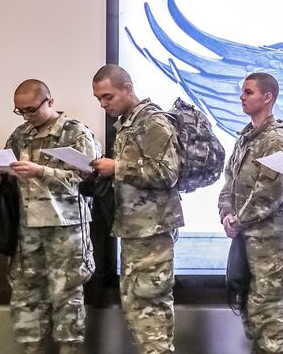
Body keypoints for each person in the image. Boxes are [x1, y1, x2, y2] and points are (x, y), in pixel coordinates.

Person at [0, 80, 98, 354]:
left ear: (50, 101)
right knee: (25, 296)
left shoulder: (76, 133)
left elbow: (88, 180)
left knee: (66, 295)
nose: (26, 116)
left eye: (31, 110)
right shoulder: (20, 134)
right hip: (27, 230)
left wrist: (42, 171)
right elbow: (11, 168)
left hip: (66, 229)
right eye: (20, 111)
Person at [91, 65, 183, 354]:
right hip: (135, 229)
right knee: (136, 308)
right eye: (99, 100)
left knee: (150, 310)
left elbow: (168, 173)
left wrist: (116, 167)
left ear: (127, 88)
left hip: (152, 231)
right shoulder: (128, 123)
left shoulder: (153, 122)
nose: (104, 105)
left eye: (108, 97)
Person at [218, 73, 283, 354]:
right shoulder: (245, 138)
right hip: (246, 240)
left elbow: (270, 191)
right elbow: (230, 181)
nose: (242, 97)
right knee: (252, 315)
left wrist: (239, 220)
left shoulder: (276, 139)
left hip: (271, 245)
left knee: (269, 319)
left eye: (248, 92)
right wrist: (226, 213)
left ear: (267, 98)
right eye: (242, 92)